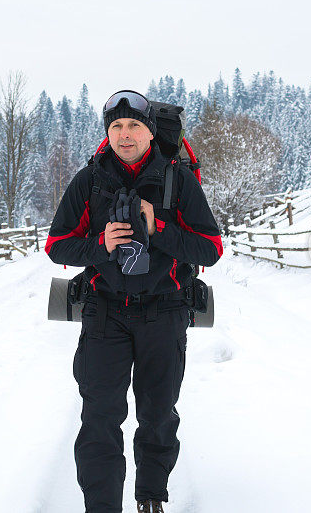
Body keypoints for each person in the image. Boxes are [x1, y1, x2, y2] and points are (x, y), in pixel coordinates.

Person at [45, 90, 222, 513]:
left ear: (149, 131)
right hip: (105, 312)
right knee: (100, 420)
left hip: (165, 311)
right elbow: (56, 245)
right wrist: (100, 247)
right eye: (116, 126)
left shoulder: (178, 179)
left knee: (158, 416)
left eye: (134, 126)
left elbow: (210, 249)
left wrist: (156, 226)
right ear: (108, 133)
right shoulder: (89, 181)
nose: (125, 135)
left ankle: (150, 498)